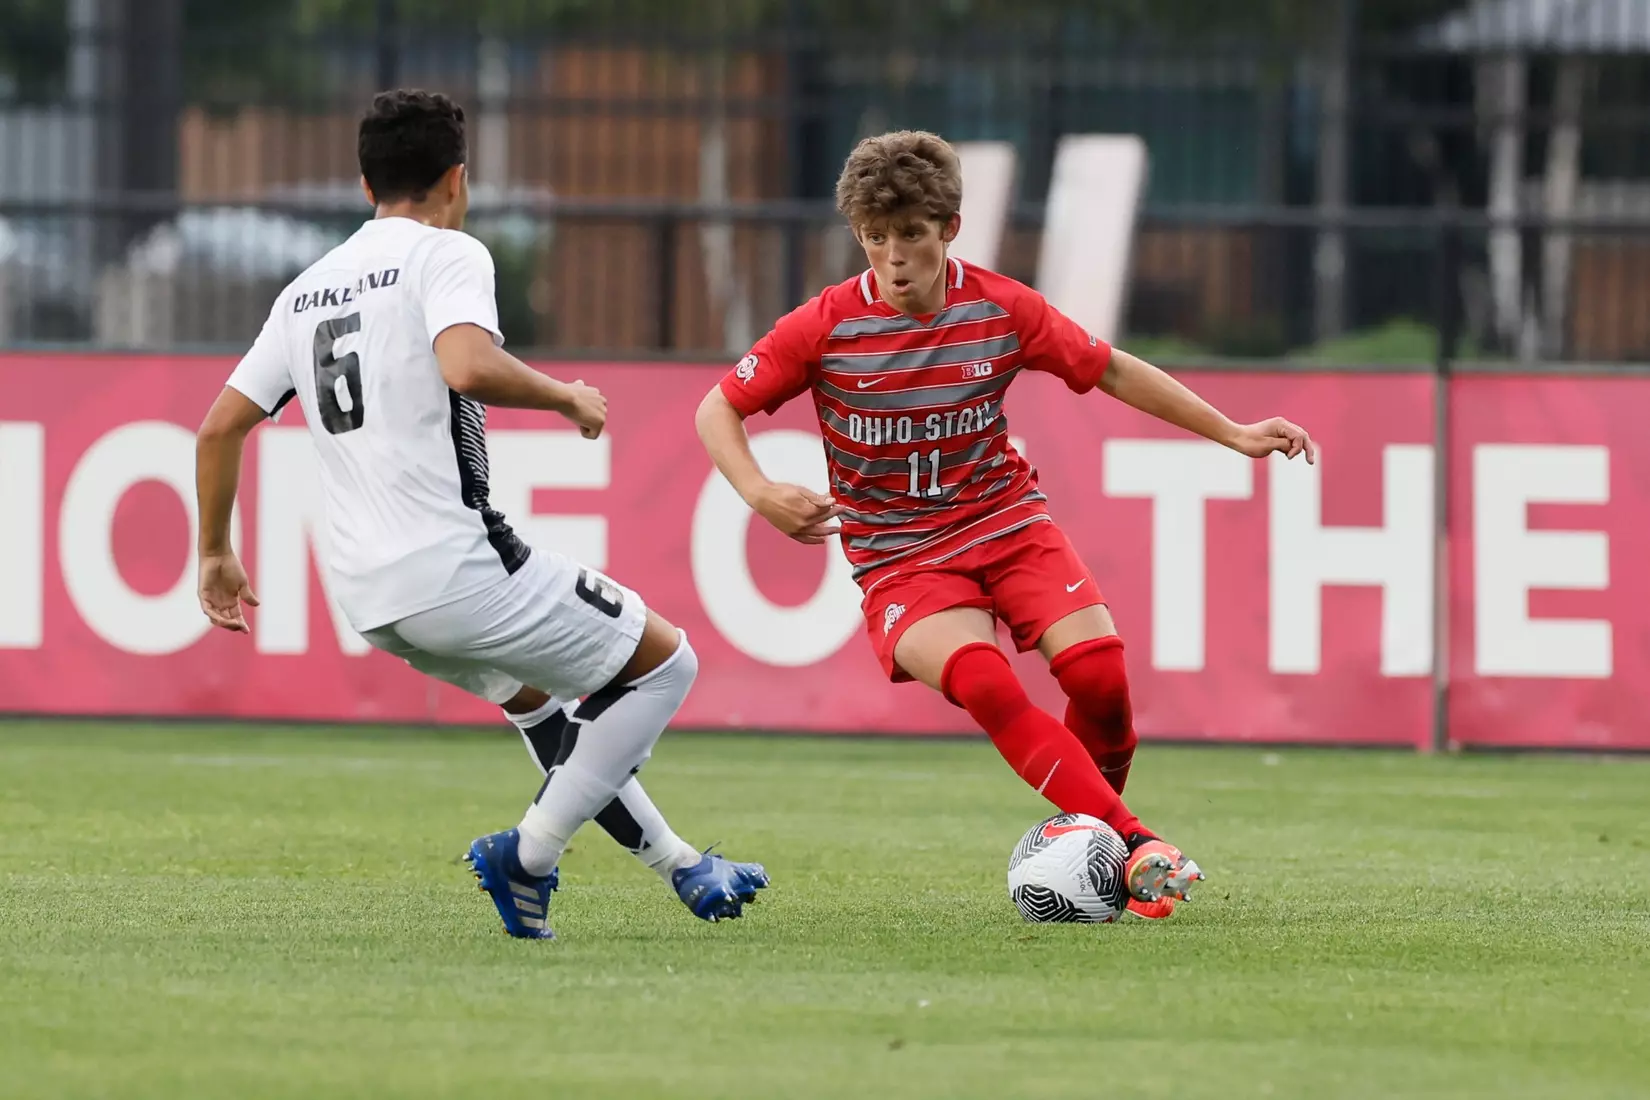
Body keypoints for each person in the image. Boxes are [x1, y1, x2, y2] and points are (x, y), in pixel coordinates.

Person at [696, 130, 1316, 920]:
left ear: (949, 228)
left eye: (911, 234)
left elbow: (1113, 367)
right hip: (900, 561)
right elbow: (718, 405)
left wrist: (1232, 431)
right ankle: (1134, 845)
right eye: (875, 237)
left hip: (1007, 523)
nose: (893, 257)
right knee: (986, 681)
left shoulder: (1000, 307)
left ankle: (1091, 854)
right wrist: (757, 491)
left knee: (1100, 680)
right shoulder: (823, 327)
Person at [193, 89, 766, 940]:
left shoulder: (305, 292)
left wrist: (214, 553)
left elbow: (218, 427)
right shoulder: (446, 254)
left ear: (363, 185)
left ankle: (681, 865)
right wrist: (565, 395)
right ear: (458, 178)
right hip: (454, 569)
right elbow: (467, 364)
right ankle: (527, 857)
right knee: (665, 666)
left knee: (541, 704)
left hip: (369, 596)